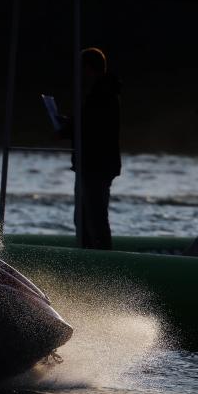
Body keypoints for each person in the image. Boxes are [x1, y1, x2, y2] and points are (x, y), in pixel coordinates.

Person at [59, 47, 122, 250]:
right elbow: (87, 123)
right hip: (92, 165)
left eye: (81, 69)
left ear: (88, 69)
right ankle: (88, 253)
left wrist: (67, 128)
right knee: (84, 218)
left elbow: (90, 127)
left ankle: (101, 258)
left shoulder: (102, 94)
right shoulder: (99, 93)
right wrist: (69, 124)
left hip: (96, 166)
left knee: (94, 219)